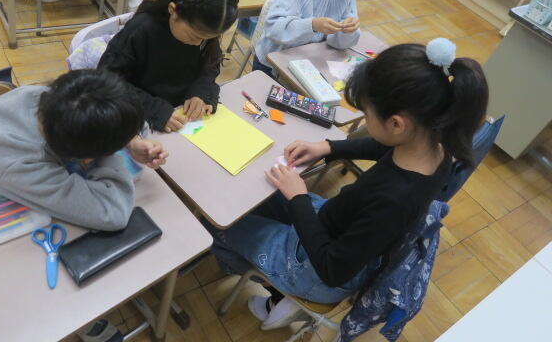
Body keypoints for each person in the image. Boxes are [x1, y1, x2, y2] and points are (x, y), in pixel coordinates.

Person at [204, 39, 489, 330]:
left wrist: (299, 198)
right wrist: (329, 147)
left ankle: (268, 284)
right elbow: (384, 147)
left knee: (214, 223)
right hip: (334, 225)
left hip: (314, 270)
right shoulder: (434, 148)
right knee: (260, 193)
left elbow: (332, 269)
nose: (366, 120)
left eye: (367, 114)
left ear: (396, 124)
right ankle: (272, 274)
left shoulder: (394, 200)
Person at [0, 69, 168, 231]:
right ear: (86, 155)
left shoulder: (56, 98)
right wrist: (113, 151)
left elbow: (126, 116)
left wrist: (131, 140)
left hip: (4, 177)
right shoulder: (21, 160)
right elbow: (112, 213)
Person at [98, 0, 239, 133]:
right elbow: (107, 81)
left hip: (179, 114)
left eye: (206, 38)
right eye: (193, 36)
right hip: (139, 114)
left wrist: (201, 92)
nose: (198, 44)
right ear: (173, 9)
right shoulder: (141, 30)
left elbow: (210, 65)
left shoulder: (202, 31)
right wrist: (154, 110)